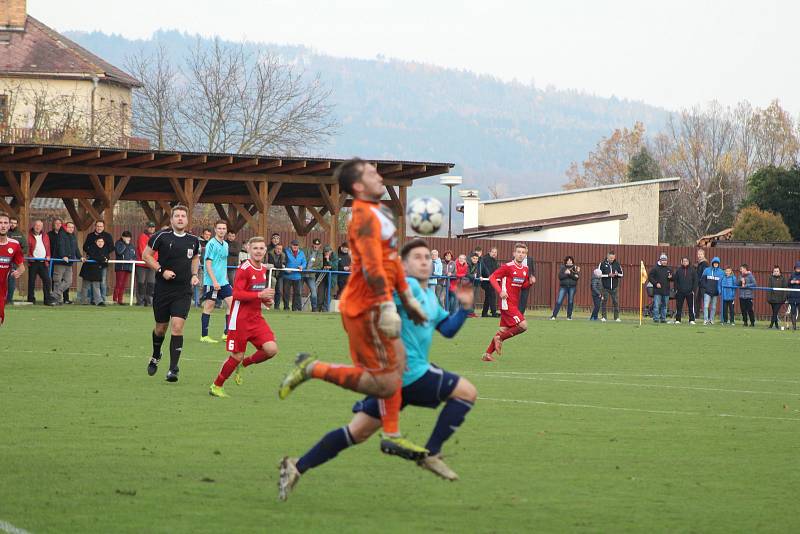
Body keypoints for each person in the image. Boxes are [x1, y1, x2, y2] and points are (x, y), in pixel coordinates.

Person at [278, 239, 476, 500]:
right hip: (409, 374)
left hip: (395, 380)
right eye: (417, 257)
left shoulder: (429, 296)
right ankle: (432, 453)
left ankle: (296, 466)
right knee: (466, 392)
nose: (425, 261)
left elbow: (447, 330)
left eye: (427, 257)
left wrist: (464, 308)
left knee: (356, 432)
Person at [278, 158, 428, 460]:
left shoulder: (381, 212)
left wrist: (407, 298)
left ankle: (391, 435)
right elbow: (372, 267)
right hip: (363, 308)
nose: (379, 176)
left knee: (400, 365)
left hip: (378, 302)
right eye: (372, 173)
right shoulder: (362, 217)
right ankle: (312, 368)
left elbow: (390, 261)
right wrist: (388, 305)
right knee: (385, 380)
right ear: (358, 186)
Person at [209, 236, 279, 398]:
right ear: (248, 249)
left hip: (256, 318)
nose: (258, 251)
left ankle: (244, 364)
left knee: (271, 349)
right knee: (236, 356)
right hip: (240, 320)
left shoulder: (262, 269)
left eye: (261, 248)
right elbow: (237, 294)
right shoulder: (244, 269)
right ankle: (216, 385)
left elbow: (257, 295)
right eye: (255, 248)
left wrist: (267, 300)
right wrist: (260, 294)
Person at [143, 205, 201, 383]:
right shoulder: (161, 236)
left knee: (177, 326)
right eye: (177, 216)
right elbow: (146, 255)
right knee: (161, 328)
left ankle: (173, 369)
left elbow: (196, 257)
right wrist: (162, 271)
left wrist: (194, 275)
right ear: (172, 219)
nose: (180, 218)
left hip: (183, 291)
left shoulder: (193, 240)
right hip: (163, 289)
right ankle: (155, 354)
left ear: (187, 219)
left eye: (183, 216)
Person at [482, 242, 533, 362]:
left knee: (504, 330)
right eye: (518, 252)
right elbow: (492, 278)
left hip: (514, 303)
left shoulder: (525, 269)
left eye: (523, 253)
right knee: (523, 325)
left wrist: (529, 282)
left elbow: (522, 285)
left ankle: (487, 354)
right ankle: (499, 338)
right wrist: (500, 291)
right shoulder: (507, 266)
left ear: (526, 255)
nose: (521, 255)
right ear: (514, 253)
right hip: (506, 302)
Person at [200, 221, 233, 343]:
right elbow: (208, 264)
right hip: (211, 282)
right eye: (219, 228)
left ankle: (227, 333)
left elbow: (222, 264)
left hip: (223, 281)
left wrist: (224, 280)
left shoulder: (225, 244)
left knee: (232, 304)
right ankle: (204, 336)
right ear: (215, 229)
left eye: (224, 228)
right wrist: (214, 281)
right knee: (209, 306)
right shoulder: (211, 244)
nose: (222, 230)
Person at [0, 212, 25, 325]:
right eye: (0, 223)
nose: (3, 225)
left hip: (1, 290)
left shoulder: (14, 245)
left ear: (9, 226)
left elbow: (22, 267)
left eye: (5, 223)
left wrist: (18, 272)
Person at [83, 221, 113, 304]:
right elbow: (85, 247)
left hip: (102, 263)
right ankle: (92, 300)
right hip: (92, 264)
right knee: (91, 282)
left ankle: (102, 299)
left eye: (101, 226)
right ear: (95, 226)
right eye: (98, 226)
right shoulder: (90, 236)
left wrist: (103, 254)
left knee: (102, 282)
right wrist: (93, 253)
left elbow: (111, 247)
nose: (99, 227)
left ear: (103, 227)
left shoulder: (107, 236)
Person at [27, 219, 56, 306]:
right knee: (31, 281)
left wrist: (48, 256)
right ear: (33, 225)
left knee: (47, 280)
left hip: (43, 262)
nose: (38, 227)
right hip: (33, 262)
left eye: (40, 226)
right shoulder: (28, 235)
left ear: (42, 227)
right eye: (36, 225)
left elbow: (48, 247)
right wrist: (30, 257)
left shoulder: (45, 236)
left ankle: (47, 300)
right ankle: (31, 299)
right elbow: (26, 248)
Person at [53, 221, 81, 305]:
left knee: (68, 281)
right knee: (57, 280)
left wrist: (80, 257)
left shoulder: (73, 236)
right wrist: (63, 256)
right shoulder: (61, 235)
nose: (71, 229)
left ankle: (54, 295)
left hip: (69, 263)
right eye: (69, 227)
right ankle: (57, 300)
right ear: (65, 227)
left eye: (72, 227)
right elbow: (60, 246)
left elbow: (76, 248)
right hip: (60, 262)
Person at [80, 237, 110, 306]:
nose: (100, 243)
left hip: (97, 270)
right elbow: (94, 256)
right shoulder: (92, 248)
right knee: (85, 286)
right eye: (99, 241)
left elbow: (107, 257)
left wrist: (104, 259)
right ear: (96, 242)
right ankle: (83, 301)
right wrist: (102, 259)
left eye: (102, 241)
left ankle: (98, 301)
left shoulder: (105, 249)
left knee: (96, 286)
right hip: (88, 269)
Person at [551, 256, 580, 320]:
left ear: (572, 261)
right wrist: (567, 274)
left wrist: (569, 274)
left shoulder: (575, 268)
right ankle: (554, 316)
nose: (569, 261)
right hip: (563, 287)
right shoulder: (563, 268)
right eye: (568, 260)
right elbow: (560, 277)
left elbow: (576, 278)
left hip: (572, 287)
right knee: (559, 301)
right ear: (566, 261)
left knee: (570, 301)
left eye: (570, 260)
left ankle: (569, 317)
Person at [6, 216, 26, 303]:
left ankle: (9, 300)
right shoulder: (4, 232)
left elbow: (25, 248)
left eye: (14, 223)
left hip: (13, 262)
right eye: (11, 222)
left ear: (17, 224)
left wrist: (16, 254)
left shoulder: (20, 234)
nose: (13, 224)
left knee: (11, 281)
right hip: (2, 260)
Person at [598, 251, 623, 322]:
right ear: (607, 257)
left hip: (614, 287)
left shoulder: (617, 264)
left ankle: (616, 317)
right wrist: (608, 275)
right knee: (604, 302)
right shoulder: (602, 264)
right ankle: (603, 317)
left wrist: (617, 274)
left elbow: (621, 274)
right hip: (605, 287)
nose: (612, 259)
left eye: (613, 258)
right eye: (611, 258)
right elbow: (599, 274)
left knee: (616, 302)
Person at [136, 222, 157, 306]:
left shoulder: (156, 237)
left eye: (153, 227)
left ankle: (149, 301)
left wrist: (153, 261)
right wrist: (152, 260)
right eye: (150, 227)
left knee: (151, 283)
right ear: (147, 227)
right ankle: (140, 301)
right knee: (141, 283)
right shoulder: (142, 237)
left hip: (151, 264)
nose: (151, 228)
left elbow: (157, 251)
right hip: (142, 264)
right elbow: (142, 251)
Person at [113, 231, 136, 305]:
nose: (128, 238)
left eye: (129, 237)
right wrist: (125, 244)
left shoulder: (131, 245)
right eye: (126, 237)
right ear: (122, 237)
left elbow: (134, 255)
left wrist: (133, 259)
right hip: (120, 267)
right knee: (119, 283)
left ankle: (120, 300)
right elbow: (119, 252)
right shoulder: (118, 243)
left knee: (124, 284)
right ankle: (115, 299)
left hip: (128, 267)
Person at [648, 253, 672, 324]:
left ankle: (663, 319)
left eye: (665, 260)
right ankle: (656, 318)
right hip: (657, 291)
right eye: (663, 260)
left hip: (666, 291)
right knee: (656, 305)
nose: (664, 261)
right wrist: (656, 283)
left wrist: (671, 277)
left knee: (664, 306)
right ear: (660, 260)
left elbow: (673, 278)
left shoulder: (669, 269)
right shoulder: (655, 268)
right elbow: (650, 277)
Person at [673, 257, 697, 324]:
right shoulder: (678, 270)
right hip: (680, 292)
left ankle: (691, 320)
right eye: (684, 261)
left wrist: (693, 290)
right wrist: (676, 290)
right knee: (679, 306)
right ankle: (678, 320)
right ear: (681, 262)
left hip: (690, 292)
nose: (685, 262)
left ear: (688, 262)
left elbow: (695, 281)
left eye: (686, 261)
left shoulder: (692, 270)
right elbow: (675, 281)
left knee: (691, 307)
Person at [284, 240, 306, 311]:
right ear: (291, 245)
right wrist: (285, 269)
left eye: (296, 245)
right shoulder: (286, 251)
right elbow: (283, 261)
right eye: (294, 245)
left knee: (297, 293)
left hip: (297, 276)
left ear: (298, 246)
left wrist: (302, 266)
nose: (295, 246)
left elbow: (304, 262)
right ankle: (286, 307)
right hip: (287, 275)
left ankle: (294, 308)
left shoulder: (301, 253)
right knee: (286, 293)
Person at [701, 256, 723, 325]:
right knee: (706, 306)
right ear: (712, 263)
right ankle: (705, 320)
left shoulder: (721, 272)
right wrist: (706, 287)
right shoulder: (707, 270)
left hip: (715, 293)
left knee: (713, 307)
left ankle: (711, 320)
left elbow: (722, 282)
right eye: (714, 263)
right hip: (707, 292)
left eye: (717, 263)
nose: (716, 264)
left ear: (718, 264)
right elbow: (702, 280)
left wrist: (719, 291)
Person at [304, 238, 324, 311]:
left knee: (314, 293)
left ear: (320, 245)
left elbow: (320, 265)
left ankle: (314, 308)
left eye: (317, 245)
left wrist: (312, 269)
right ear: (312, 244)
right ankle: (297, 308)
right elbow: (302, 259)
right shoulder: (306, 250)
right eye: (315, 244)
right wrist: (304, 267)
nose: (316, 246)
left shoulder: (321, 254)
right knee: (298, 292)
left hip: (311, 275)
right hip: (302, 273)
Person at [479, 247, 499, 318]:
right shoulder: (486, 259)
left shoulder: (494, 260)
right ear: (489, 252)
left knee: (488, 297)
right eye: (493, 252)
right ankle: (494, 312)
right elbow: (487, 271)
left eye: (495, 252)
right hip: (486, 281)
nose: (494, 253)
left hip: (491, 280)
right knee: (492, 295)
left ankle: (484, 313)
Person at [268, 243, 288, 310]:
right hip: (271, 274)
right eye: (277, 249)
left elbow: (285, 263)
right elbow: (272, 264)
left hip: (279, 275)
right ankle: (269, 305)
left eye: (280, 249)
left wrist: (279, 265)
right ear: (275, 249)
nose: (279, 250)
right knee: (271, 290)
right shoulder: (270, 254)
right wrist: (280, 266)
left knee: (279, 291)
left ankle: (277, 307)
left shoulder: (284, 255)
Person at [47, 218, 63, 294]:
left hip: (62, 260)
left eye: (60, 223)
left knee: (63, 279)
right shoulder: (49, 234)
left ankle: (65, 298)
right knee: (53, 278)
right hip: (52, 260)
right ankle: (53, 294)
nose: (58, 225)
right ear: (53, 224)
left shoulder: (64, 234)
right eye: (56, 223)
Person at [317, 245, 334, 312]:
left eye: (328, 251)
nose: (326, 253)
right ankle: (318, 308)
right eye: (325, 252)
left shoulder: (334, 256)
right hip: (322, 277)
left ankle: (325, 309)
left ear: (331, 251)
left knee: (328, 294)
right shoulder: (321, 256)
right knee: (320, 293)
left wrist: (328, 260)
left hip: (331, 278)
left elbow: (335, 266)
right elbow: (319, 265)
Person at [517, 249, 535, 314]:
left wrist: (532, 277)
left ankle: (521, 313)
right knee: (516, 296)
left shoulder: (530, 259)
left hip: (527, 281)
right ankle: (515, 311)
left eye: (524, 251)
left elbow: (532, 270)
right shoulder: (515, 258)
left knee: (524, 297)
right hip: (517, 280)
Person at [695, 249, 709, 320]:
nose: (699, 255)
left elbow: (704, 274)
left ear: (704, 255)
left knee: (705, 300)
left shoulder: (705, 263)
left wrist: (701, 281)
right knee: (697, 299)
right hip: (698, 284)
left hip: (704, 284)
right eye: (698, 254)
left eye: (701, 254)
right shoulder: (698, 263)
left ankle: (707, 317)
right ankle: (696, 315)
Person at [787, 261, 800, 330]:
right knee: (793, 311)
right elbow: (788, 283)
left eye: (799, 268)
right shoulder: (792, 275)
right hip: (792, 296)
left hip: (799, 296)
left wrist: (798, 282)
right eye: (797, 268)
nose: (798, 269)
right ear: (795, 268)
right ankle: (794, 326)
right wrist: (791, 282)